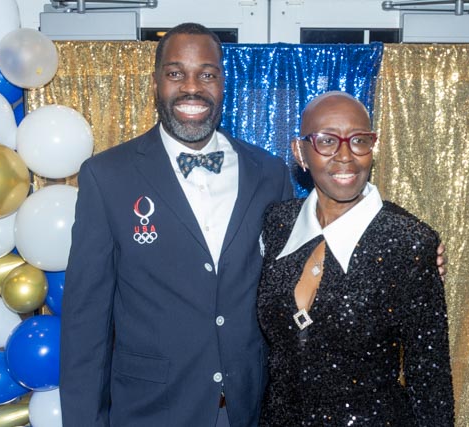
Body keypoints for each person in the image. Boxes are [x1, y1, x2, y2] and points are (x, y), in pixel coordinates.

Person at [59, 23, 293, 427]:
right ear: (155, 84)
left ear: (223, 83)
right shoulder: (107, 176)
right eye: (175, 73)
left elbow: (288, 291)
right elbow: (86, 322)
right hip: (151, 409)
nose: (192, 87)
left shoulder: (269, 173)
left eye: (207, 74)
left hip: (248, 406)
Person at [257, 91, 455, 426]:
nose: (346, 155)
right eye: (326, 141)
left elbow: (430, 378)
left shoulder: (409, 242)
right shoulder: (277, 223)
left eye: (359, 140)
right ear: (300, 152)